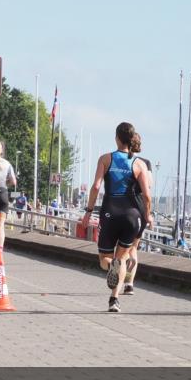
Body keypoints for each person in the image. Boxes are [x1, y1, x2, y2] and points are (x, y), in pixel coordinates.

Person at [78, 122, 153, 313]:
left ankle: (112, 266)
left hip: (110, 211)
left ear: (117, 138)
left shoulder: (105, 159)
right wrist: (148, 215)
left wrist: (88, 211)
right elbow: (146, 195)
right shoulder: (139, 164)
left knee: (105, 259)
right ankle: (114, 299)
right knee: (123, 257)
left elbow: (95, 187)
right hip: (132, 215)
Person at [123, 132, 152, 295]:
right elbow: (149, 188)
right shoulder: (145, 163)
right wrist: (149, 214)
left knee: (122, 247)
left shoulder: (119, 161)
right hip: (140, 206)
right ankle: (129, 283)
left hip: (124, 205)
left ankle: (122, 277)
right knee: (134, 246)